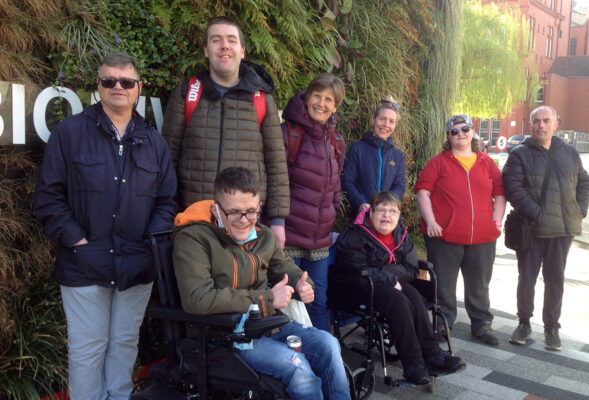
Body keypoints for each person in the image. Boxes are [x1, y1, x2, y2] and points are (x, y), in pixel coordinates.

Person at [33, 53, 178, 400]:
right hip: (84, 263)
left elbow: (166, 201)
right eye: (109, 81)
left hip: (136, 264)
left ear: (138, 89)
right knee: (87, 350)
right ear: (97, 87)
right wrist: (76, 240)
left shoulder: (154, 143)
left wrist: (148, 247)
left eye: (126, 82)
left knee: (125, 345)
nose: (117, 87)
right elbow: (48, 197)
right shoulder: (69, 133)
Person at [172, 167, 351, 400]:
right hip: (227, 336)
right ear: (217, 208)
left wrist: (301, 286)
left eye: (251, 211)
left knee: (328, 344)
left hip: (269, 325)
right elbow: (198, 299)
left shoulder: (263, 235)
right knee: (299, 370)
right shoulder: (194, 239)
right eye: (234, 212)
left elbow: (286, 268)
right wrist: (266, 299)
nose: (244, 221)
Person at [162, 16, 289, 248]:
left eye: (231, 40)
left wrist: (278, 221)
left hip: (245, 223)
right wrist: (168, 214)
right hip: (195, 222)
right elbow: (167, 159)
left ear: (242, 51)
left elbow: (276, 161)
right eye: (216, 40)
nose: (224, 46)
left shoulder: (261, 99)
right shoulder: (187, 94)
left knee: (243, 284)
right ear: (206, 50)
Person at [331, 191, 464, 384]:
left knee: (414, 296)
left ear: (398, 214)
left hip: (389, 284)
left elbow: (411, 268)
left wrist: (387, 275)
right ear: (371, 213)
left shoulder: (401, 234)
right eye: (381, 210)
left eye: (392, 211)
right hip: (356, 288)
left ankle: (433, 354)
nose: (387, 215)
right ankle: (413, 365)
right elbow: (355, 269)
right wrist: (389, 276)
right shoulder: (355, 236)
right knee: (398, 300)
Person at [502, 105, 589, 351]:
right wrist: (538, 213)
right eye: (537, 121)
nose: (541, 125)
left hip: (562, 230)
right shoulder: (519, 154)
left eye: (546, 120)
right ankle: (523, 323)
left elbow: (584, 181)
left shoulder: (570, 152)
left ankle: (552, 327)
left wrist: (579, 210)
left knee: (555, 279)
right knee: (527, 278)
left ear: (556, 124)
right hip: (532, 228)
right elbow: (513, 188)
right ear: (531, 125)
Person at [414, 114, 506, 346]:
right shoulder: (439, 162)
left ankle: (481, 324)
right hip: (444, 237)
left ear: (473, 132)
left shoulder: (487, 162)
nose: (461, 134)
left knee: (479, 283)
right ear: (448, 136)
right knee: (444, 284)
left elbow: (500, 193)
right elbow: (422, 192)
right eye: (454, 131)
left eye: (465, 129)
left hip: (482, 238)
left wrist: (496, 220)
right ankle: (444, 324)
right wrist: (431, 221)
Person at [279, 73, 346, 330]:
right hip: (288, 238)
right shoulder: (288, 133)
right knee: (288, 305)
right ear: (307, 97)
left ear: (335, 106)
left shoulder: (336, 141)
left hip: (319, 242)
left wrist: (332, 210)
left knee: (317, 304)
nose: (321, 103)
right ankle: (292, 364)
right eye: (317, 96)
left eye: (329, 99)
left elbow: (336, 183)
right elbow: (275, 181)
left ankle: (325, 364)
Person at [342, 99, 405, 216]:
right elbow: (348, 182)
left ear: (395, 125)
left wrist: (388, 206)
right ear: (373, 120)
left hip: (388, 217)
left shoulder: (398, 156)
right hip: (363, 215)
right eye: (382, 119)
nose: (386, 125)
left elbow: (399, 185)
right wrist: (361, 203)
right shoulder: (357, 149)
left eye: (391, 121)